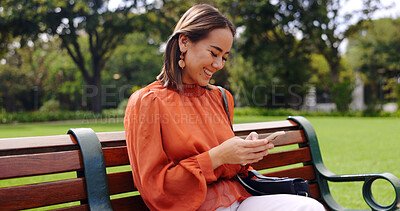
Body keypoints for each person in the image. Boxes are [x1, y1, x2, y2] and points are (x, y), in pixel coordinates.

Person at [124, 4, 325, 211]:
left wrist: (244, 152)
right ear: (184, 41)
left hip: (239, 198)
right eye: (214, 53)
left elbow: (231, 169)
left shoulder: (220, 97)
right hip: (192, 206)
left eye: (225, 57)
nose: (219, 64)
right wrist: (217, 156)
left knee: (309, 208)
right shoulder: (148, 102)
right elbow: (156, 189)